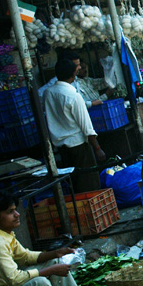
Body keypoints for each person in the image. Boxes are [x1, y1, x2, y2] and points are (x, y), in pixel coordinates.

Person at [43, 58, 106, 192]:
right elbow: (86, 126)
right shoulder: (73, 95)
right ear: (73, 75)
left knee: (74, 184)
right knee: (89, 183)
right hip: (78, 145)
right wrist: (97, 147)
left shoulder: (49, 92)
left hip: (62, 146)